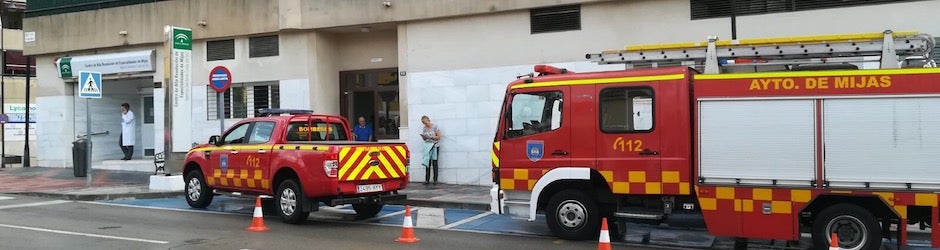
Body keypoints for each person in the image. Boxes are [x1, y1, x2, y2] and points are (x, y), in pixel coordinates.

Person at [420, 115, 442, 185]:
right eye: (424, 123)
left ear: (429, 120)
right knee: (427, 162)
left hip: (435, 146)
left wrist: (431, 137)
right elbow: (424, 138)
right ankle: (427, 179)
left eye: (426, 123)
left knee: (434, 162)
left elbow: (439, 137)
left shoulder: (435, 127)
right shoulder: (424, 128)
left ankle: (435, 179)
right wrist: (424, 137)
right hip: (427, 146)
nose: (426, 125)